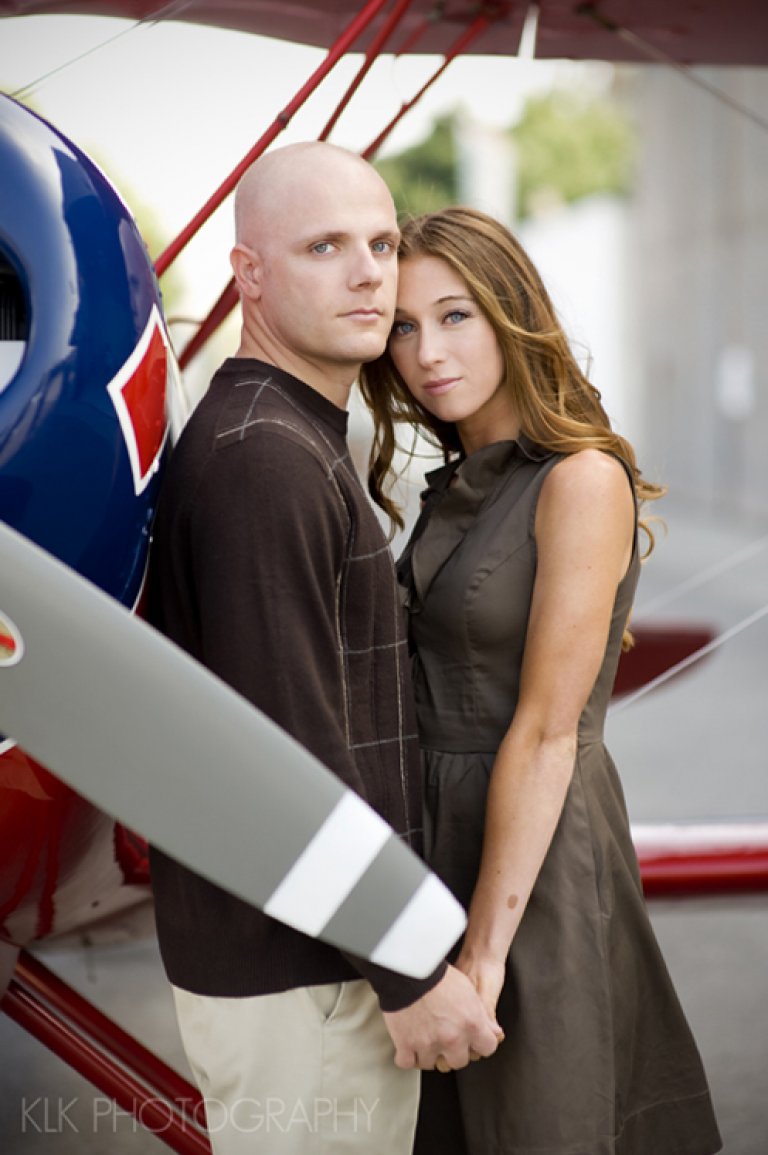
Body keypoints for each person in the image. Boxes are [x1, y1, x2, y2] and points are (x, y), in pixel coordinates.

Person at [146, 148, 501, 1155]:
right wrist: (405, 973)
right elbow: (295, 751)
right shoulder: (266, 457)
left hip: (310, 963)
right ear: (249, 275)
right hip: (305, 978)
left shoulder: (291, 433)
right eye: (324, 246)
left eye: (382, 244)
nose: (368, 274)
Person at [359, 205, 723, 1155]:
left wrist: (484, 952)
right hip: (437, 842)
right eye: (402, 326)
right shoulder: (458, 478)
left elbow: (547, 731)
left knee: (539, 1118)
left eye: (455, 315)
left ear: (512, 312)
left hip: (534, 854)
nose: (426, 350)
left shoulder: (579, 480)